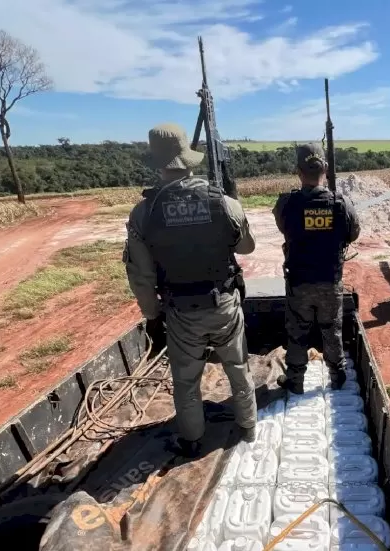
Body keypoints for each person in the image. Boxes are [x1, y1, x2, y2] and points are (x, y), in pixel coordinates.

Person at [124, 122, 257, 457]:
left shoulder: (144, 212)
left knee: (186, 382)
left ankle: (193, 439)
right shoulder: (224, 203)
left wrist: (152, 315)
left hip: (181, 311)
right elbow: (246, 248)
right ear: (188, 159)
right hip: (224, 303)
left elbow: (141, 275)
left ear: (156, 162)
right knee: (238, 369)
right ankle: (249, 426)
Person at [272, 142, 361, 394]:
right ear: (326, 169)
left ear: (298, 171)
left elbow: (283, 227)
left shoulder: (287, 204)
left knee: (298, 333)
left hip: (299, 282)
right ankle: (337, 376)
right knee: (331, 330)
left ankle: (296, 381)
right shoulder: (340, 203)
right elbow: (353, 233)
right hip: (330, 281)